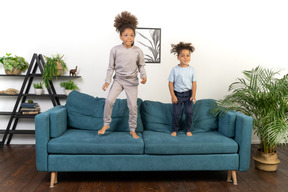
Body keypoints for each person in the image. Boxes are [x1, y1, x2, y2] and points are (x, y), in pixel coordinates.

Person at [98, 11, 147, 139]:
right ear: (120, 36)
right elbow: (111, 67)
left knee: (133, 106)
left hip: (132, 82)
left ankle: (132, 129)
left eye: (131, 35)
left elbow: (141, 65)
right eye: (126, 35)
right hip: (118, 80)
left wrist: (143, 76)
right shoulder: (115, 50)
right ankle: (106, 124)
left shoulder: (138, 51)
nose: (129, 38)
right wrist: (107, 81)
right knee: (109, 100)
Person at [168, 42, 197, 136]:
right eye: (183, 55)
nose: (185, 58)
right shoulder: (175, 69)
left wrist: (193, 95)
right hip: (178, 94)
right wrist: (173, 96)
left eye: (188, 55)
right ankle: (175, 129)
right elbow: (170, 83)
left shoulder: (192, 70)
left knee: (189, 112)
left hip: (188, 94)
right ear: (178, 57)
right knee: (176, 113)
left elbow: (194, 83)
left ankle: (188, 129)